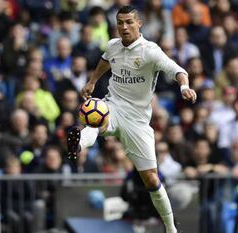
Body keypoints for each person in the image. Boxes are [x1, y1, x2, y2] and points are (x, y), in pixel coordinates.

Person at [67, 6, 197, 233]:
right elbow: (105, 60)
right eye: (120, 23)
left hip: (137, 121)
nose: (124, 27)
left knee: (152, 181)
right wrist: (91, 82)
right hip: (113, 106)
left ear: (139, 24)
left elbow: (178, 70)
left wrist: (184, 86)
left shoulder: (151, 51)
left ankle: (170, 227)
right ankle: (77, 144)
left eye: (129, 22)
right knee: (95, 116)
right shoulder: (113, 45)